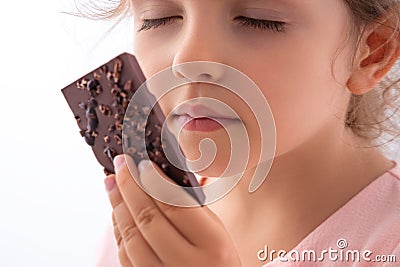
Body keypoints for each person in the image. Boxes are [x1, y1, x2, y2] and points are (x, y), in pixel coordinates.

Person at [91, 0, 400, 266]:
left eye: (259, 20)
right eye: (159, 17)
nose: (188, 59)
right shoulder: (145, 223)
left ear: (373, 52)